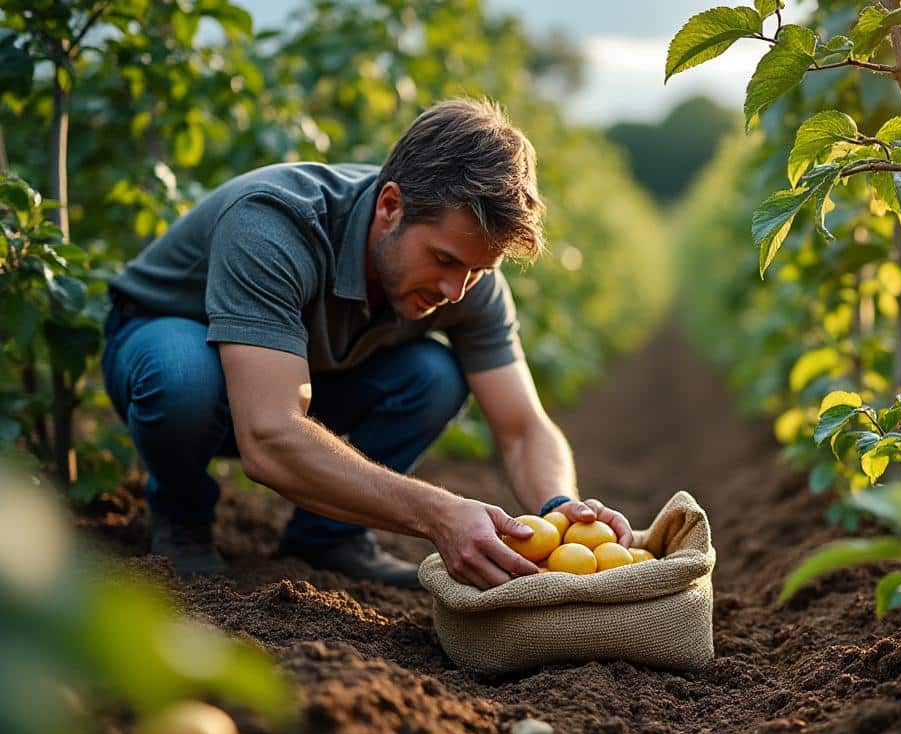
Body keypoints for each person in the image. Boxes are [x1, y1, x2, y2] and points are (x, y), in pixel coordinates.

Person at [101, 98, 632, 588]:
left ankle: (327, 539)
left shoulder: (467, 277)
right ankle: (181, 518)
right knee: (183, 378)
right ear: (390, 206)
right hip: (172, 349)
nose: (455, 290)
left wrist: (561, 508)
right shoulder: (274, 223)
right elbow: (268, 435)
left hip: (303, 376)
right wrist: (439, 514)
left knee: (434, 376)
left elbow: (522, 428)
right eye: (444, 260)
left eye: (477, 271)